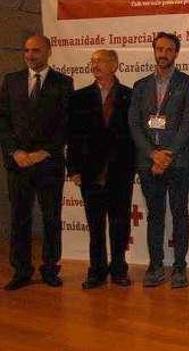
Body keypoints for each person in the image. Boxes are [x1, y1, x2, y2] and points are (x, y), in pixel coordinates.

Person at [0, 34, 73, 290]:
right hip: (18, 163)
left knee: (51, 217)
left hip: (48, 163)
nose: (30, 55)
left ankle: (50, 268)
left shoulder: (63, 83)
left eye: (36, 51)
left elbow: (65, 124)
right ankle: (21, 270)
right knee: (19, 218)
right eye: (27, 51)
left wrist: (45, 151)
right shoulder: (11, 81)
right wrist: (15, 152)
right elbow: (4, 122)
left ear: (48, 51)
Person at [128, 32, 189, 288]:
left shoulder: (188, 84)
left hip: (178, 161)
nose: (163, 54)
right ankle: (155, 266)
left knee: (179, 213)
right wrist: (152, 154)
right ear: (154, 51)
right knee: (155, 215)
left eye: (169, 49)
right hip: (149, 162)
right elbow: (134, 124)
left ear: (176, 53)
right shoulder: (140, 86)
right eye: (159, 49)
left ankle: (179, 268)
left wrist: (167, 153)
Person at [67, 49, 136, 289]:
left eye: (101, 61)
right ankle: (96, 271)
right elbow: (73, 136)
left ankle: (118, 269)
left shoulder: (130, 95)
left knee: (119, 224)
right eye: (93, 61)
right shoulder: (79, 97)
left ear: (114, 65)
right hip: (90, 172)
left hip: (121, 171)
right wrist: (73, 169)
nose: (95, 65)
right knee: (95, 225)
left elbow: (135, 135)